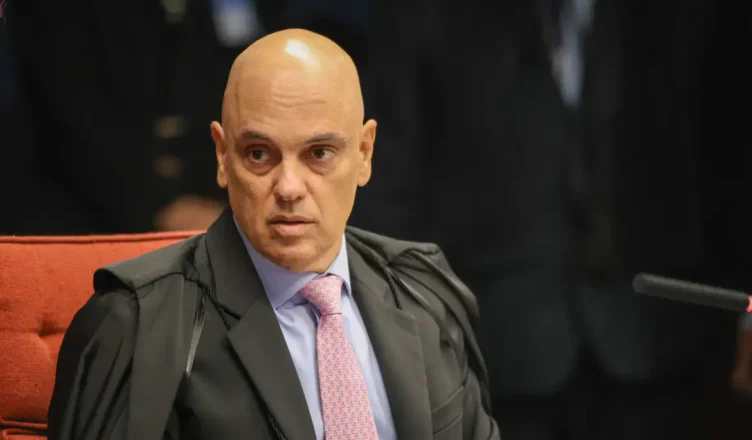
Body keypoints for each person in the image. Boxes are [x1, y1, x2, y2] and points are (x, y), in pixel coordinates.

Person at [47, 29, 500, 440]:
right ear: (222, 156)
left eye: (319, 153)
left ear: (365, 153)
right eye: (259, 154)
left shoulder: (424, 291)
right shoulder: (138, 327)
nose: (288, 188)